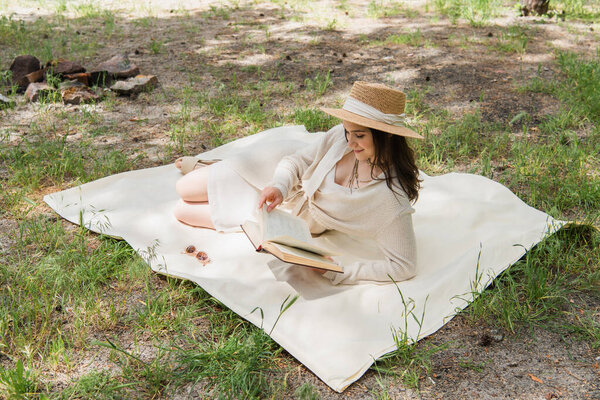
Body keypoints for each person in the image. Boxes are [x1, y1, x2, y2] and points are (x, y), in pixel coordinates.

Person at [173, 81, 423, 285]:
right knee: (183, 188)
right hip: (278, 172)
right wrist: (279, 186)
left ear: (388, 135)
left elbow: (404, 266)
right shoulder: (340, 138)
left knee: (182, 211)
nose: (349, 142)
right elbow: (297, 161)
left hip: (291, 218)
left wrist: (341, 271)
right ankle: (207, 165)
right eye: (347, 131)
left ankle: (214, 169)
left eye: (359, 135)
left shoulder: (390, 199)